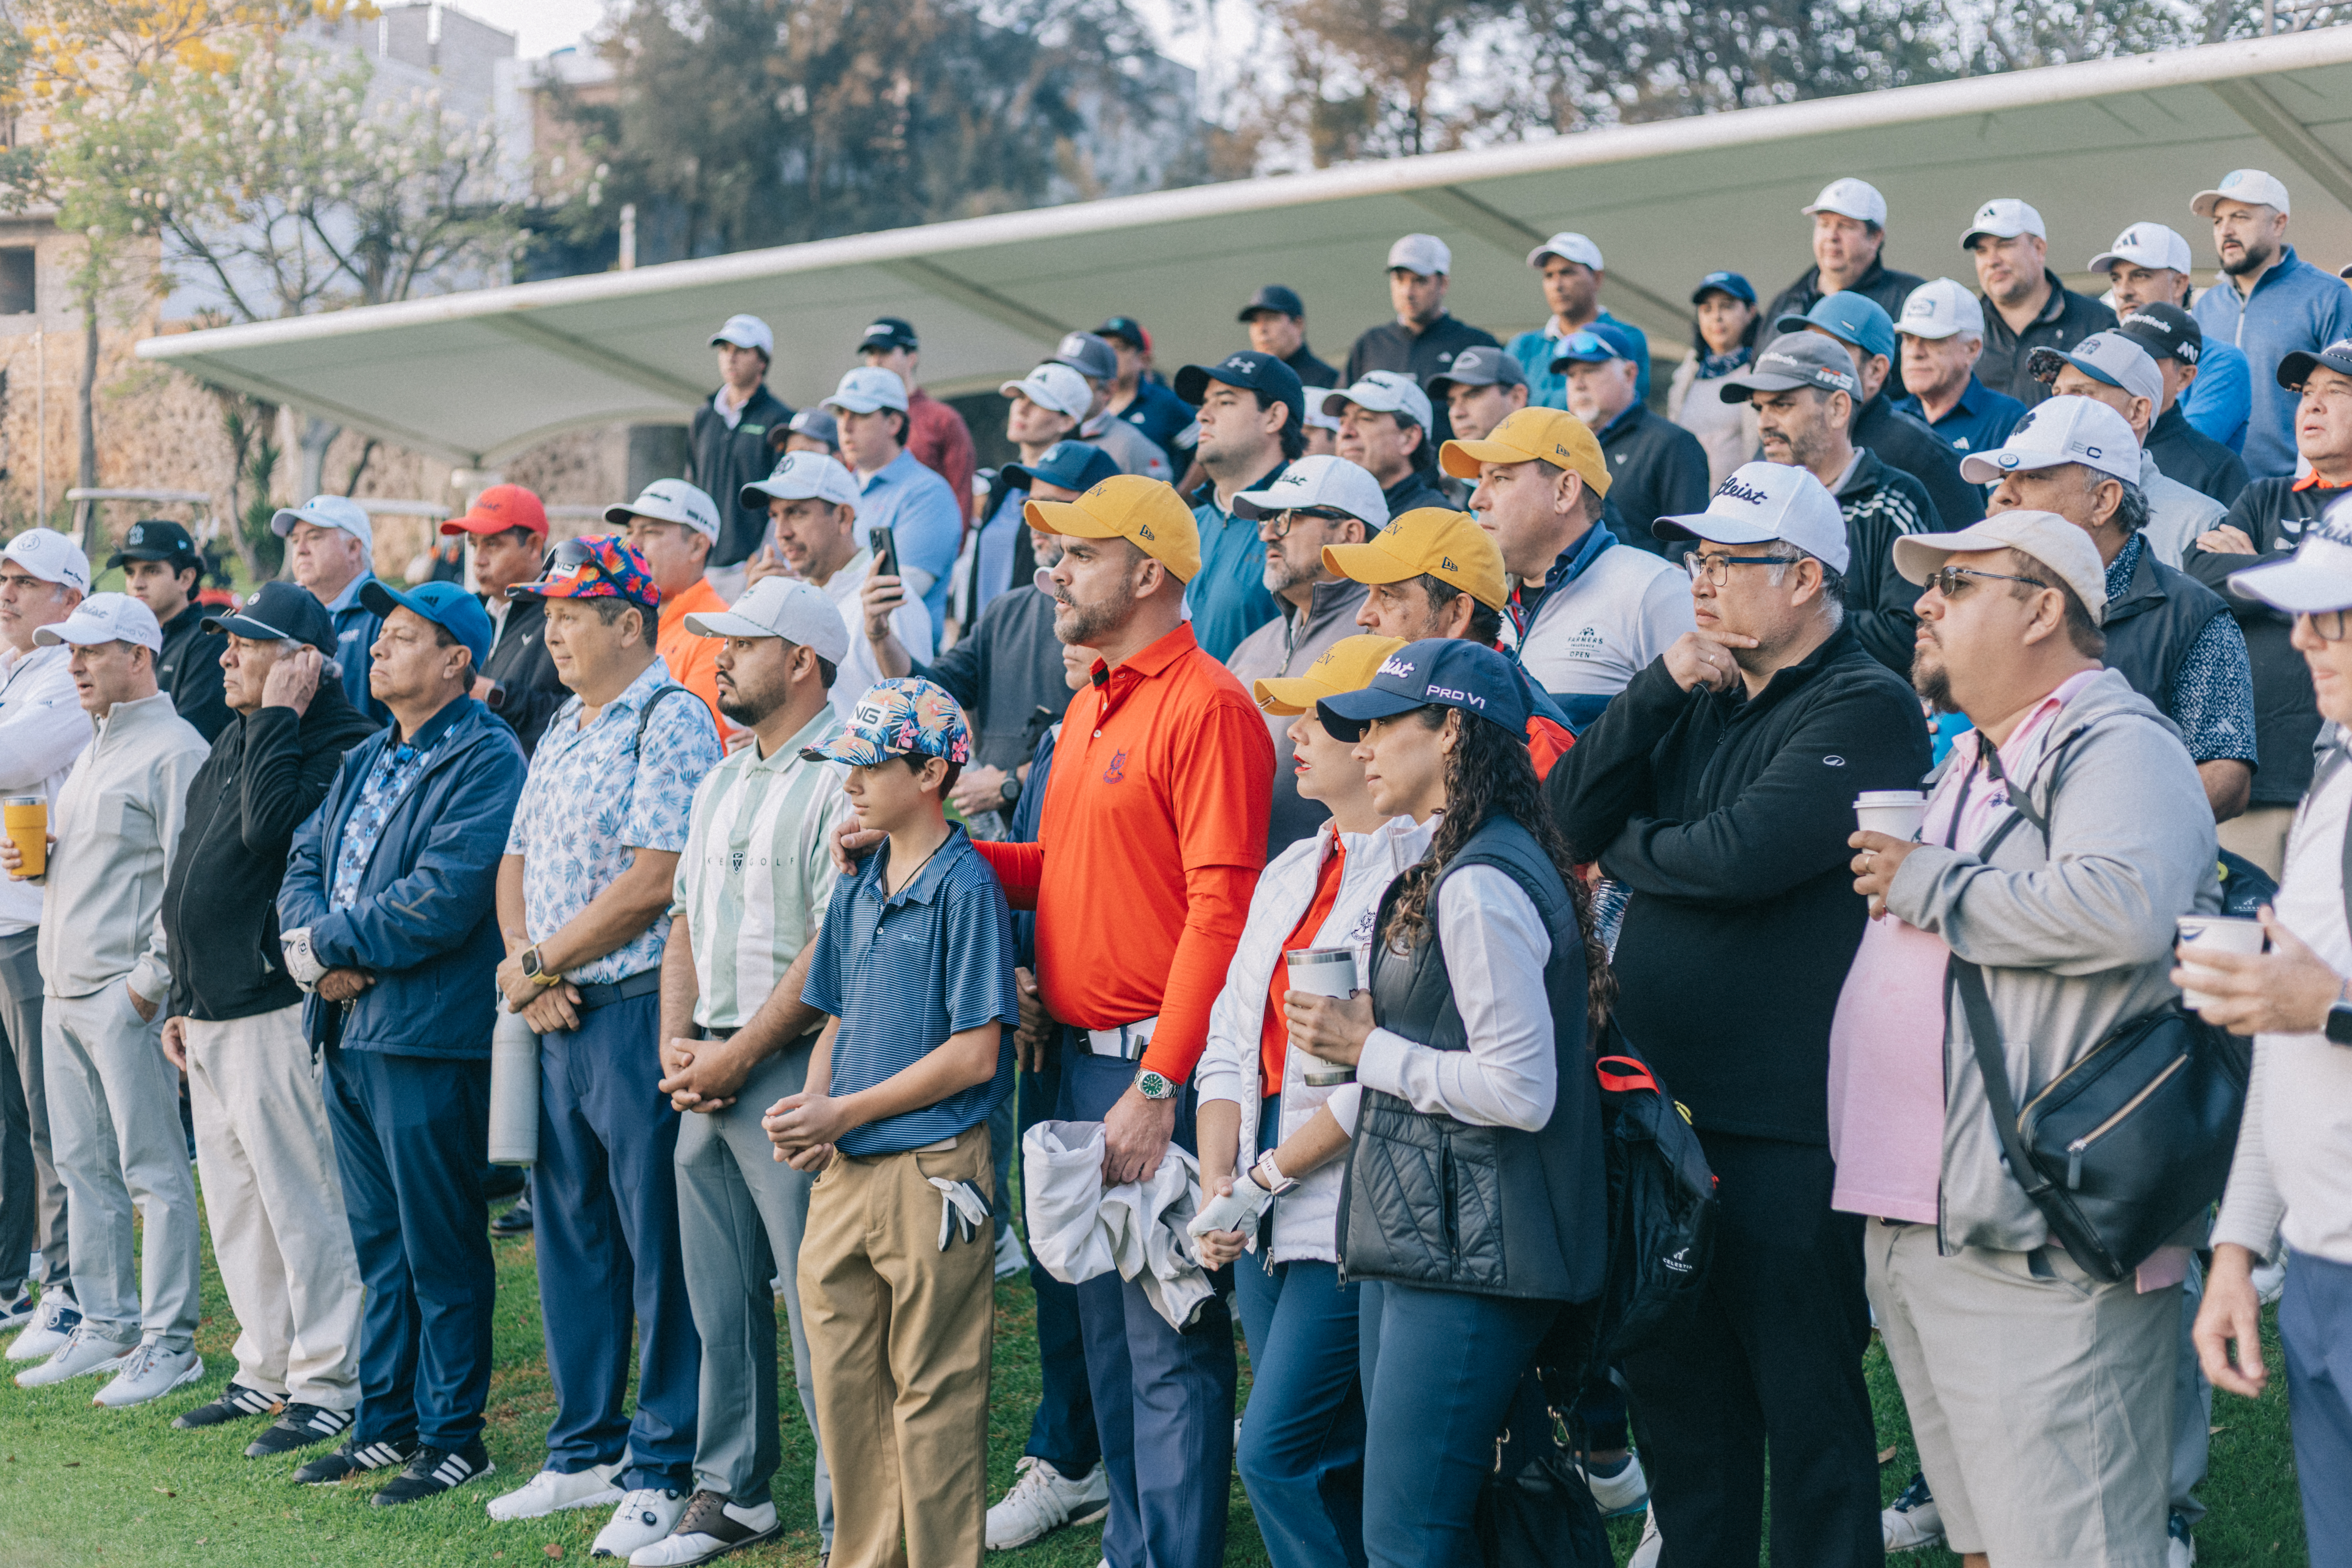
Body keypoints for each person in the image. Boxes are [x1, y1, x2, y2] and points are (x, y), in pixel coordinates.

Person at [1548, 460, 1932, 1568]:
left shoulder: (1867, 699)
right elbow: (1570, 814)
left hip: (1788, 1128)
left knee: (1807, 1412)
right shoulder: (1703, 692)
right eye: (1696, 561)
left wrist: (1631, 848)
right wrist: (1661, 685)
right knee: (1684, 1409)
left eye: (1729, 562)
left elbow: (1738, 861)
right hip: (1665, 1120)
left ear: (1805, 578)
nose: (1702, 583)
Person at [1842, 510, 2218, 1568]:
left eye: (1956, 583)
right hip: (1942, 1226)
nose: (1925, 601)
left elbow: (2126, 908)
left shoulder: (2116, 740)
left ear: (2043, 606)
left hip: (2045, 1240)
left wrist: (1932, 882)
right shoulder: (1982, 752)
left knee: (2073, 1547)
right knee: (1988, 1545)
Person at [943, 474, 1270, 1568]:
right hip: (1077, 1068)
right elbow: (1063, 866)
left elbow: (1223, 909)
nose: (1053, 571)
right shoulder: (1090, 701)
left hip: (1152, 1077)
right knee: (1102, 1338)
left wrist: (1160, 1083)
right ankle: (1134, 1546)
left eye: (1076, 553)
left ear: (1148, 571)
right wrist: (942, 853)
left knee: (1169, 1338)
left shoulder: (1211, 703)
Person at [1300, 638, 1607, 1568]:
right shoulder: (1466, 858)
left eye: (1384, 725)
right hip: (1436, 1235)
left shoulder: (1478, 881)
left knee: (1409, 1534)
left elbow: (1520, 1088)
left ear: (1453, 732)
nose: (1363, 748)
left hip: (1476, 1251)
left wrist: (1368, 1047)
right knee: (1433, 1522)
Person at [486, 536, 722, 1559]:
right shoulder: (564, 724)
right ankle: (582, 1445)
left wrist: (539, 963)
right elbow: (517, 860)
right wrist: (529, 971)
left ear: (632, 621)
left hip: (629, 1011)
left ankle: (663, 1463)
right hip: (558, 1013)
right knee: (571, 1236)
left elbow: (654, 877)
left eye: (573, 613)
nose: (553, 632)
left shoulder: (671, 721)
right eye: (549, 614)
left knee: (654, 1242)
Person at [276, 577, 522, 1503]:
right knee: (379, 1243)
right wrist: (312, 954)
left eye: (404, 637)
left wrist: (330, 944)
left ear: (457, 657)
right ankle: (386, 1423)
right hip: (347, 1025)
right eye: (379, 636)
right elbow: (307, 859)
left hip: (428, 1034)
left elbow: (445, 894)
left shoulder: (489, 757)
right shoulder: (371, 752)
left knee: (441, 1245)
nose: (377, 649)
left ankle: (455, 1434)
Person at [1188, 632, 1431, 1568]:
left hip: (1346, 1209)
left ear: (1371, 737)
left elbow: (1388, 1070)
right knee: (1328, 1451)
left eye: (1316, 718)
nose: (1293, 732)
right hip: (1256, 1198)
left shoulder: (1419, 873)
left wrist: (1259, 1177)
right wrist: (1222, 1179)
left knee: (1275, 1451)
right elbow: (1227, 1044)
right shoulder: (1293, 867)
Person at [767, 679, 1018, 1568]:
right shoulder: (861, 877)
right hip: (845, 1168)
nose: (853, 781)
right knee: (844, 1391)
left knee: (935, 1393)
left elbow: (975, 1053)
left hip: (932, 1169)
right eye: (853, 763)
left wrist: (844, 1110)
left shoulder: (966, 885)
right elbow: (831, 1010)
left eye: (874, 764)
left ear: (932, 771)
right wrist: (814, 1110)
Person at [635, 577, 855, 1568]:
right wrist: (679, 1044)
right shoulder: (723, 774)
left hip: (788, 1071)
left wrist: (735, 1053)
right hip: (707, 1063)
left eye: (742, 643)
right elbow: (684, 917)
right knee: (719, 1302)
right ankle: (735, 1494)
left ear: (801, 660)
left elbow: (829, 947)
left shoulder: (846, 772)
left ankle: (851, 1518)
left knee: (821, 1310)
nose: (718, 656)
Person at [155, 581, 376, 1454]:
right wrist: (180, 991)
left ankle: (329, 1379)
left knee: (302, 1200)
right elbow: (192, 864)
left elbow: (269, 833)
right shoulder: (241, 733)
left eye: (247, 643)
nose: (226, 656)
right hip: (209, 1009)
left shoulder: (337, 741)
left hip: (275, 1005)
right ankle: (266, 1365)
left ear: (304, 663)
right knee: (238, 1205)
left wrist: (283, 716)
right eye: (228, 641)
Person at [2187, 496, 2352, 1568]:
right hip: (2320, 1266)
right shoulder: (2334, 775)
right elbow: (2282, 1030)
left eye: (2334, 618)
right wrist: (2239, 1247)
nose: (2303, 641)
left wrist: (2329, 1008)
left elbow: (2312, 1011)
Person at [2, 592, 209, 1406]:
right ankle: (106, 1321)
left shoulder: (174, 748)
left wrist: (148, 982)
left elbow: (181, 880)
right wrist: (52, 858)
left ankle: (171, 1340)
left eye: (90, 650)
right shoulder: (94, 744)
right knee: (85, 1165)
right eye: (69, 652)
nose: (74, 664)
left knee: (154, 1169)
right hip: (61, 986)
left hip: (124, 995)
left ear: (140, 655)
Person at [1965, 396, 2258, 824]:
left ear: (2104, 500)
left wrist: (2096, 829)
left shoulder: (2192, 615)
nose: (2003, 495)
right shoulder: (1987, 599)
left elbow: (2225, 778)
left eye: (2031, 477)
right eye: (2005, 477)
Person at [984, 635, 1113, 1556]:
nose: (1065, 630)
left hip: (1127, 1039)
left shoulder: (1176, 710)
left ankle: (1102, 1460)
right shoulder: (1070, 725)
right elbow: (1047, 865)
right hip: (1052, 1028)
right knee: (1053, 1254)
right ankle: (1070, 1455)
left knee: (1126, 1272)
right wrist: (1020, 968)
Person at [881, 443, 1118, 842]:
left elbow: (1116, 747)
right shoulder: (1004, 610)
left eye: (1054, 507)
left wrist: (1012, 781)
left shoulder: (1115, 616)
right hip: (1007, 846)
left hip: (1080, 834)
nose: (1036, 520)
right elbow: (926, 693)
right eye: (1031, 504)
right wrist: (879, 632)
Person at [2181, 338, 2352, 877]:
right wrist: (2313, 574)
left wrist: (2262, 567)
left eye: (2337, 390)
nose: (2313, 405)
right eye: (2307, 393)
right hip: (2258, 776)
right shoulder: (2264, 496)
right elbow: (2203, 577)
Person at [1442, 407, 1693, 728]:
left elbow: (1703, 742)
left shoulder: (1653, 589)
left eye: (1500, 478)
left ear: (1565, 492)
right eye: (1479, 480)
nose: (1476, 499)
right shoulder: (1486, 605)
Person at [1718, 332, 1944, 673]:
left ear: (1838, 409)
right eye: (1759, 408)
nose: (1764, 422)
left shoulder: (1894, 499)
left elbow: (1910, 634)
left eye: (1782, 404)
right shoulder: (1748, 499)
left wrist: (1787, 623)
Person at [0, 529, 87, 1353]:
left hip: (35, 924)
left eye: (27, 581)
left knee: (48, 1117)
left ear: (69, 597)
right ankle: (15, 1276)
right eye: (4, 578)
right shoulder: (14, 665)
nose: (8, 592)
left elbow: (14, 755)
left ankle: (69, 1286)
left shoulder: (67, 668)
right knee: (6, 1117)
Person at [1324, 507, 1574, 774]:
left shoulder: (1535, 737)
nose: (1363, 616)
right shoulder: (1396, 691)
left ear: (1457, 615)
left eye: (1387, 594)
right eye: (1368, 592)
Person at [1223, 455, 1388, 852]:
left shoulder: (1383, 635)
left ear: (1350, 534)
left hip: (1345, 887)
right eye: (1266, 519)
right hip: (1250, 890)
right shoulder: (1253, 645)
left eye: (1287, 518)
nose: (1267, 535)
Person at [741, 451, 933, 726]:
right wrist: (753, 619)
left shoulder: (888, 600)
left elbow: (920, 721)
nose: (781, 532)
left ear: (844, 517)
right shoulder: (792, 598)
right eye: (775, 516)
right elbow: (740, 712)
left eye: (796, 513)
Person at [2190, 169, 2352, 481]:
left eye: (2240, 217)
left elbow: (2341, 397)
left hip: (2292, 493)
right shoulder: (2205, 306)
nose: (2226, 230)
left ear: (2279, 223)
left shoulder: (2328, 295)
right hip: (2212, 491)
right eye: (2218, 221)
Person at [1777, 290, 1985, 528]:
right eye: (1807, 350)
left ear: (1876, 371)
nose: (1810, 366)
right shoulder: (1789, 435)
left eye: (1831, 352)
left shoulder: (1920, 454)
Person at [2027, 330, 2227, 566]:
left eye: (2082, 393)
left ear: (2138, 412)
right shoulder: (2024, 497)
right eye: (2057, 394)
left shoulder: (2198, 523)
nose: (2061, 406)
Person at [1174, 349, 1305, 662]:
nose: (1203, 415)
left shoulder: (1305, 526)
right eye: (1205, 403)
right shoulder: (1185, 523)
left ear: (1274, 417)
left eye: (1225, 402)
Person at [824, 366, 964, 641]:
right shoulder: (839, 489)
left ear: (894, 423)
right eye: (841, 413)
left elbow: (896, 595)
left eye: (860, 414)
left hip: (898, 669)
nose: (846, 425)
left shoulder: (929, 494)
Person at [2092, 221, 2252, 455]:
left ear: (2179, 285)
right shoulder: (2105, 356)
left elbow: (2181, 452)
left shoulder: (2221, 360)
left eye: (2140, 276)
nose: (2123, 290)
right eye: (2116, 279)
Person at [1552, 321, 1711, 554]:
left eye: (1591, 371)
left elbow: (1688, 545)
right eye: (1571, 375)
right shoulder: (1560, 449)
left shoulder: (1672, 443)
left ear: (1629, 374)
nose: (1579, 384)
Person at [1761, 177, 1926, 392]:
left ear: (1876, 237)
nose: (1832, 236)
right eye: (1824, 224)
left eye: (1845, 226)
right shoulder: (1786, 303)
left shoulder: (1911, 299)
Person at [443, 483, 567, 758]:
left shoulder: (568, 615)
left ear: (535, 546)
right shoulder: (466, 612)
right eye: (474, 545)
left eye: (493, 544)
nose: (478, 560)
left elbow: (587, 711)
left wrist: (498, 696)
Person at [1344, 234, 1499, 447]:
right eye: (1400, 280)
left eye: (1420, 281)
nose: (1408, 292)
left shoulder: (1477, 345)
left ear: (1443, 284)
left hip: (1456, 473)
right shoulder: (1370, 344)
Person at [967, 364, 1098, 617]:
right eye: (1020, 397)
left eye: (1038, 402)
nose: (1022, 408)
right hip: (983, 640)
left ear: (1067, 421)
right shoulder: (1001, 487)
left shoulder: (1081, 493)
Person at [1964, 197, 2116, 407]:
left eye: (2004, 246)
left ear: (2039, 249)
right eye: (1982, 251)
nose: (1992, 261)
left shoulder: (2098, 322)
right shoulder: (1964, 330)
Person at [607, 479, 732, 731]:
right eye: (630, 532)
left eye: (651, 532)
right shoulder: (630, 619)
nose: (633, 545)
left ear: (697, 546)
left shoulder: (717, 630)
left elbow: (690, 737)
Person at [690, 314, 795, 590]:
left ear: (762, 361)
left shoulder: (780, 420)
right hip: (704, 566)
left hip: (750, 568)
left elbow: (784, 496)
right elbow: (693, 486)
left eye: (742, 351)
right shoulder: (704, 417)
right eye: (725, 350)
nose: (730, 358)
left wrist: (765, 556)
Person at [2116, 303, 2252, 508]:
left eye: (2147, 360)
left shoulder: (2218, 468)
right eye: (2121, 355)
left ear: (2185, 377)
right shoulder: (2086, 439)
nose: (2127, 369)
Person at [273, 494, 388, 727]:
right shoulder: (283, 614)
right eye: (295, 541)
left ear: (354, 548)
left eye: (314, 538)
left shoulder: (388, 617)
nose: (301, 550)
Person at [111, 519, 230, 742]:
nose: (137, 583)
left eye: (152, 571)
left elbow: (189, 736)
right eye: (130, 573)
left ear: (186, 578)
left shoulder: (208, 641)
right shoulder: (125, 640)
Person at [1505, 231, 1652, 410]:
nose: (1557, 285)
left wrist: (1534, 407)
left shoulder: (1628, 337)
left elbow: (1623, 405)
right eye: (1549, 276)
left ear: (1597, 278)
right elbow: (1505, 410)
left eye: (1567, 273)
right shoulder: (1523, 345)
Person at [857, 316, 977, 526]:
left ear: (911, 358)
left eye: (885, 352)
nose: (876, 361)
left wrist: (951, 553)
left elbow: (962, 495)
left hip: (927, 540)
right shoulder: (857, 418)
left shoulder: (943, 420)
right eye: (871, 354)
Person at [1888, 278, 2026, 457]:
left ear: (1972, 349)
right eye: (1908, 339)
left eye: (1932, 339)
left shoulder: (2006, 419)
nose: (1915, 353)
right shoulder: (1889, 418)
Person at [1668, 270, 1765, 490]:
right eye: (1707, 309)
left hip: (1743, 503)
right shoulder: (1687, 374)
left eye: (1727, 306)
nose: (1716, 317)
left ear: (1751, 312)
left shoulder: (1762, 371)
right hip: (1690, 507)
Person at [1325, 372, 1453, 521]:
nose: (1345, 432)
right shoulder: (1330, 510)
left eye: (1365, 419)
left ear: (1409, 438)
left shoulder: (1438, 522)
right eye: (1342, 422)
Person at [1052, 330, 1176, 482]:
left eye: (1081, 380)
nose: (1067, 388)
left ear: (1107, 390)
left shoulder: (1132, 447)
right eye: (1060, 377)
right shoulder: (1041, 431)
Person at [1097, 316, 1198, 468]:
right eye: (1104, 347)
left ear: (1143, 360)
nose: (1109, 354)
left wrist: (1182, 492)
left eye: (1119, 347)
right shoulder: (1091, 400)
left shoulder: (1166, 403)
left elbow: (1205, 451)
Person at [1426, 345, 1528, 446]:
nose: (1457, 413)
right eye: (1451, 402)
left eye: (1473, 396)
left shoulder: (1542, 459)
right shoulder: (1447, 461)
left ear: (1517, 398)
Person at [1241, 285, 1340, 389]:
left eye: (1271, 319)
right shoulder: (1247, 383)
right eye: (1255, 321)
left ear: (1298, 325)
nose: (1262, 329)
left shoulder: (1329, 383)